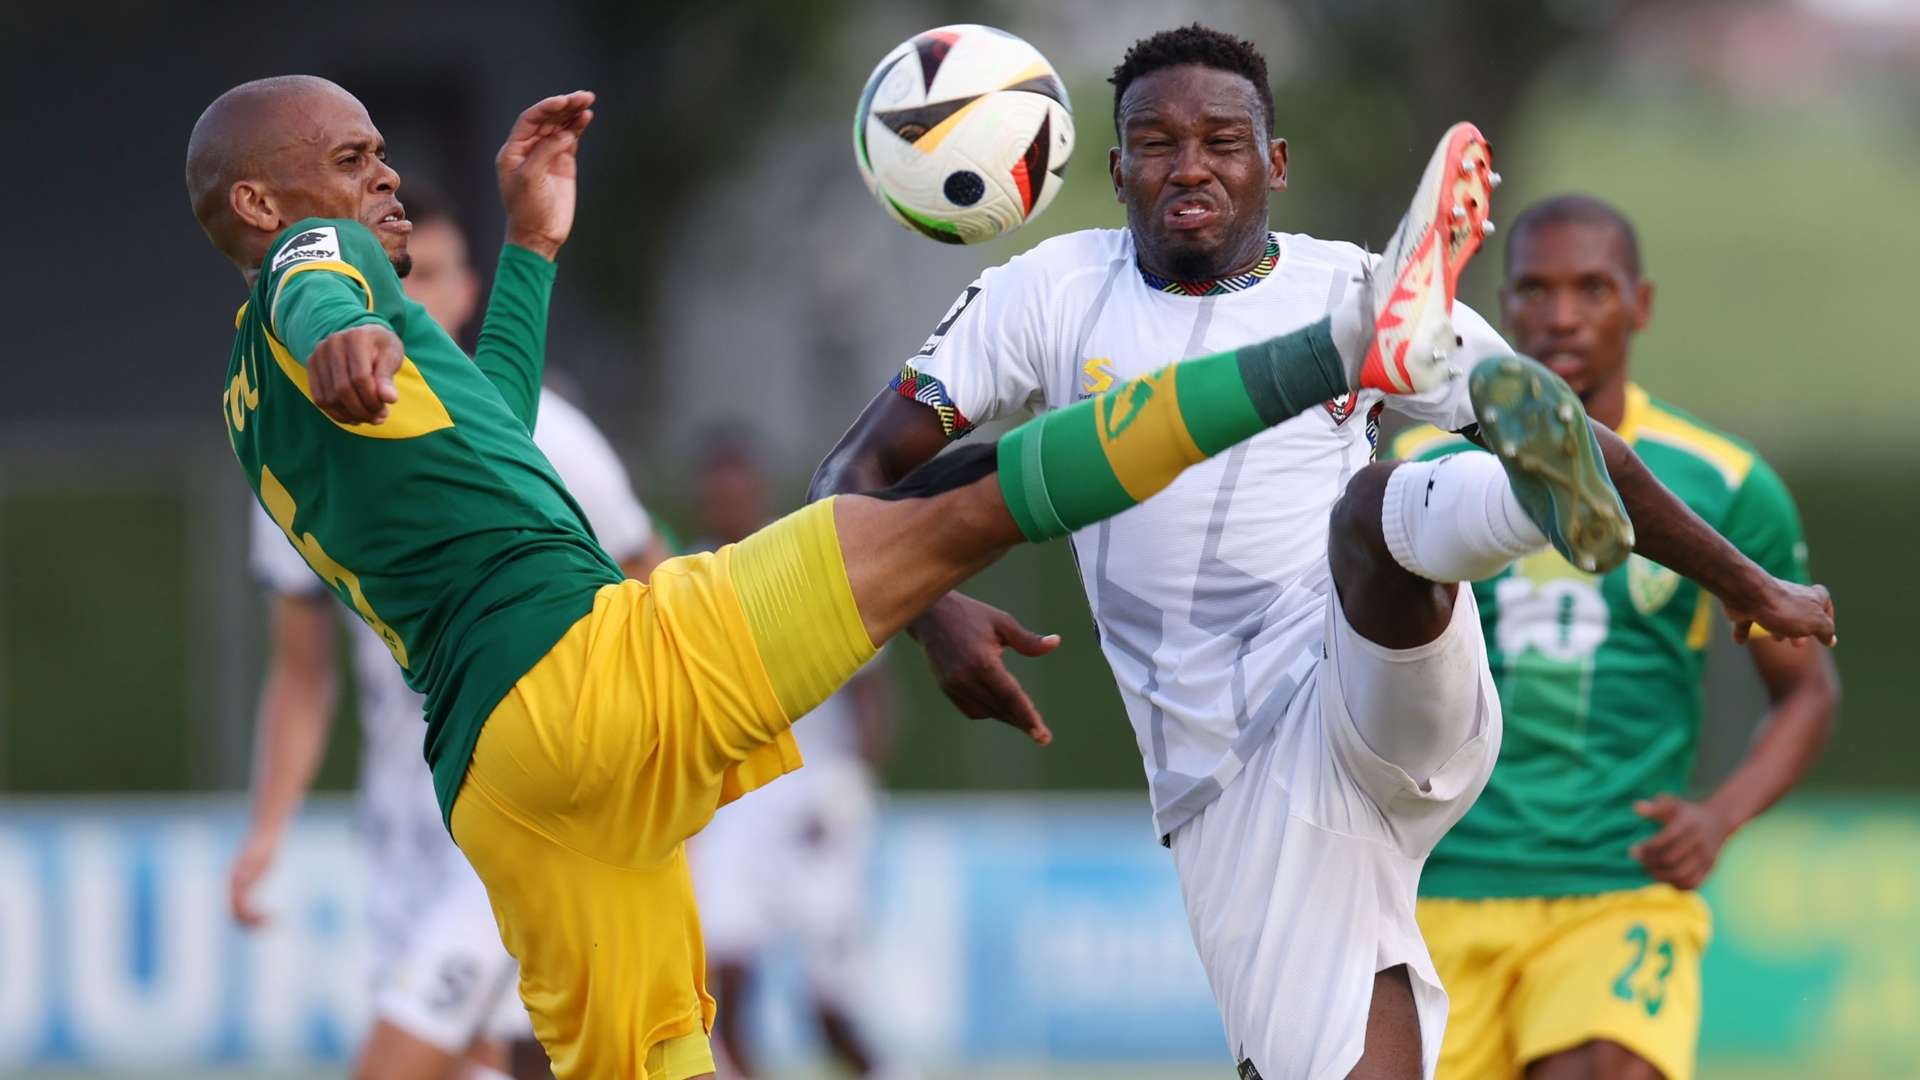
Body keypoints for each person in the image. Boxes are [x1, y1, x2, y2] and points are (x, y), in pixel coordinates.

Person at [189, 69, 1831, 1079]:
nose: (378, 177)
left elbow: (489, 434)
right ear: (260, 202)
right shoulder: (314, 283)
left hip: (507, 788)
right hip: (590, 669)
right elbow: (324, 289)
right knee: (943, 519)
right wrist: (341, 324)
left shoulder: (251, 407)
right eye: (348, 157)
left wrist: (532, 246)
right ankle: (1345, 339)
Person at [809, 25, 1834, 1080]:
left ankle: (1525, 503)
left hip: (1371, 673)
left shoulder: (1356, 289)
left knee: (1377, 513)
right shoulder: (1048, 293)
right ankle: (1512, 495)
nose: (1190, 165)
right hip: (1228, 771)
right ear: (1115, 169)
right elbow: (852, 478)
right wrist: (932, 608)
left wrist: (1752, 585)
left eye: (1223, 139)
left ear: (1276, 163)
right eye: (1156, 142)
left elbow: (1585, 438)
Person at [1394, 194, 1839, 1080]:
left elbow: (1807, 693)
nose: (1561, 315)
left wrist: (1720, 816)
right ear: (1502, 305)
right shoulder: (1424, 472)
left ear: (1639, 305)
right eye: (1535, 289)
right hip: (1439, 888)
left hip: (1619, 886)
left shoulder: (1723, 483)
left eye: (1591, 288)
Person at [224, 191, 666, 1080]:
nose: (410, 297)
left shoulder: (549, 437)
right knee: (493, 1059)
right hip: (404, 828)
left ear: (466, 293)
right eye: (397, 276)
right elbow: (306, 679)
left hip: (526, 796)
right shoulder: (294, 450)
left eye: (431, 276)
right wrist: (267, 827)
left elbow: (652, 589)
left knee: (396, 1067)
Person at [683, 432, 902, 1080]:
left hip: (813, 802)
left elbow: (871, 692)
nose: (727, 504)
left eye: (737, 490)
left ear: (758, 494)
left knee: (829, 1005)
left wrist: (852, 783)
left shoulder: (799, 563)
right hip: (732, 813)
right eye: (715, 493)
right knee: (724, 990)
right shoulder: (681, 577)